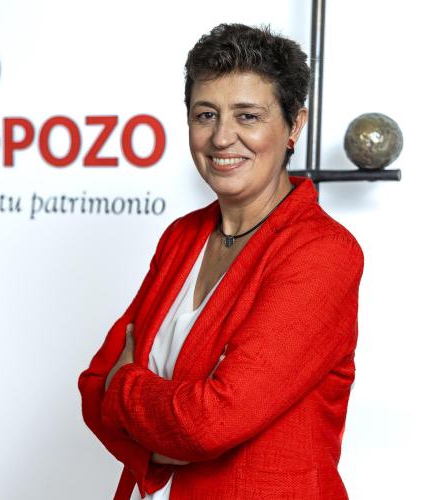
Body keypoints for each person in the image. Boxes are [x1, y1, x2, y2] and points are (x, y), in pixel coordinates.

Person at [78, 23, 364, 500]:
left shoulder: (322, 252)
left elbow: (209, 423)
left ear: (294, 126)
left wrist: (124, 384)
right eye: (205, 115)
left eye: (247, 116)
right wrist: (168, 437)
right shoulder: (181, 237)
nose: (221, 137)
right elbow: (92, 388)